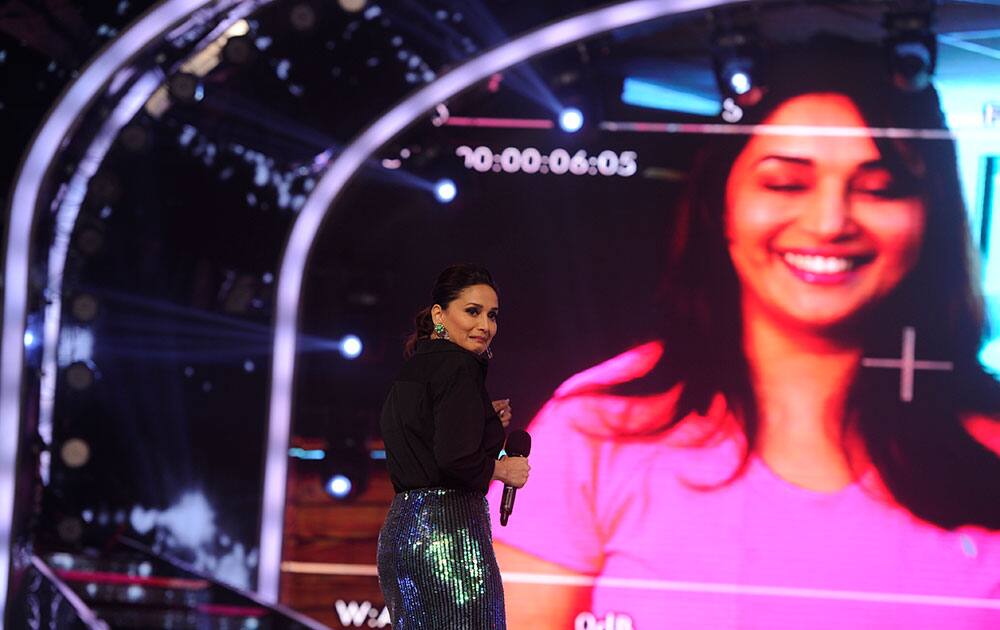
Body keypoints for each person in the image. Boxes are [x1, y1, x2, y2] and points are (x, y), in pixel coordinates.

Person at [487, 38, 1000, 629]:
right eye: (785, 184)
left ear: (929, 217)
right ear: (720, 204)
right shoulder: (596, 426)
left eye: (879, 188)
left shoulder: (990, 441)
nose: (830, 222)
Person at [376, 263, 529, 629]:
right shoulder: (460, 367)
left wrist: (479, 418)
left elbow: (421, 434)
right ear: (439, 315)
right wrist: (501, 468)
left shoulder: (416, 366)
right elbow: (454, 458)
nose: (485, 326)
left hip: (401, 537)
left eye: (492, 316)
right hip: (450, 535)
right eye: (472, 312)